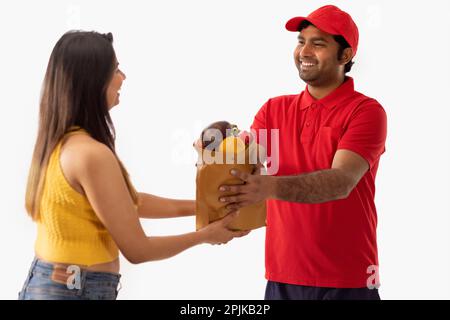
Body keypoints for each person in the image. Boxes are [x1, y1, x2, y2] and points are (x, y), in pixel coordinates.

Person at [19, 31, 248, 300]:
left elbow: (130, 203)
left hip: (60, 284)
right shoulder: (90, 154)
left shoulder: (63, 141)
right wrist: (206, 235)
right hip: (73, 291)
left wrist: (206, 207)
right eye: (115, 69)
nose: (123, 77)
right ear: (93, 81)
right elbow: (138, 250)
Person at [219, 5, 387, 300]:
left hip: (348, 278)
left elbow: (341, 181)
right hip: (281, 277)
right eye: (301, 41)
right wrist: (214, 148)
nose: (304, 51)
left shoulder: (366, 111)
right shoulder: (274, 109)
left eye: (318, 43)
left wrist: (269, 186)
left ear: (345, 56)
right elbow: (246, 162)